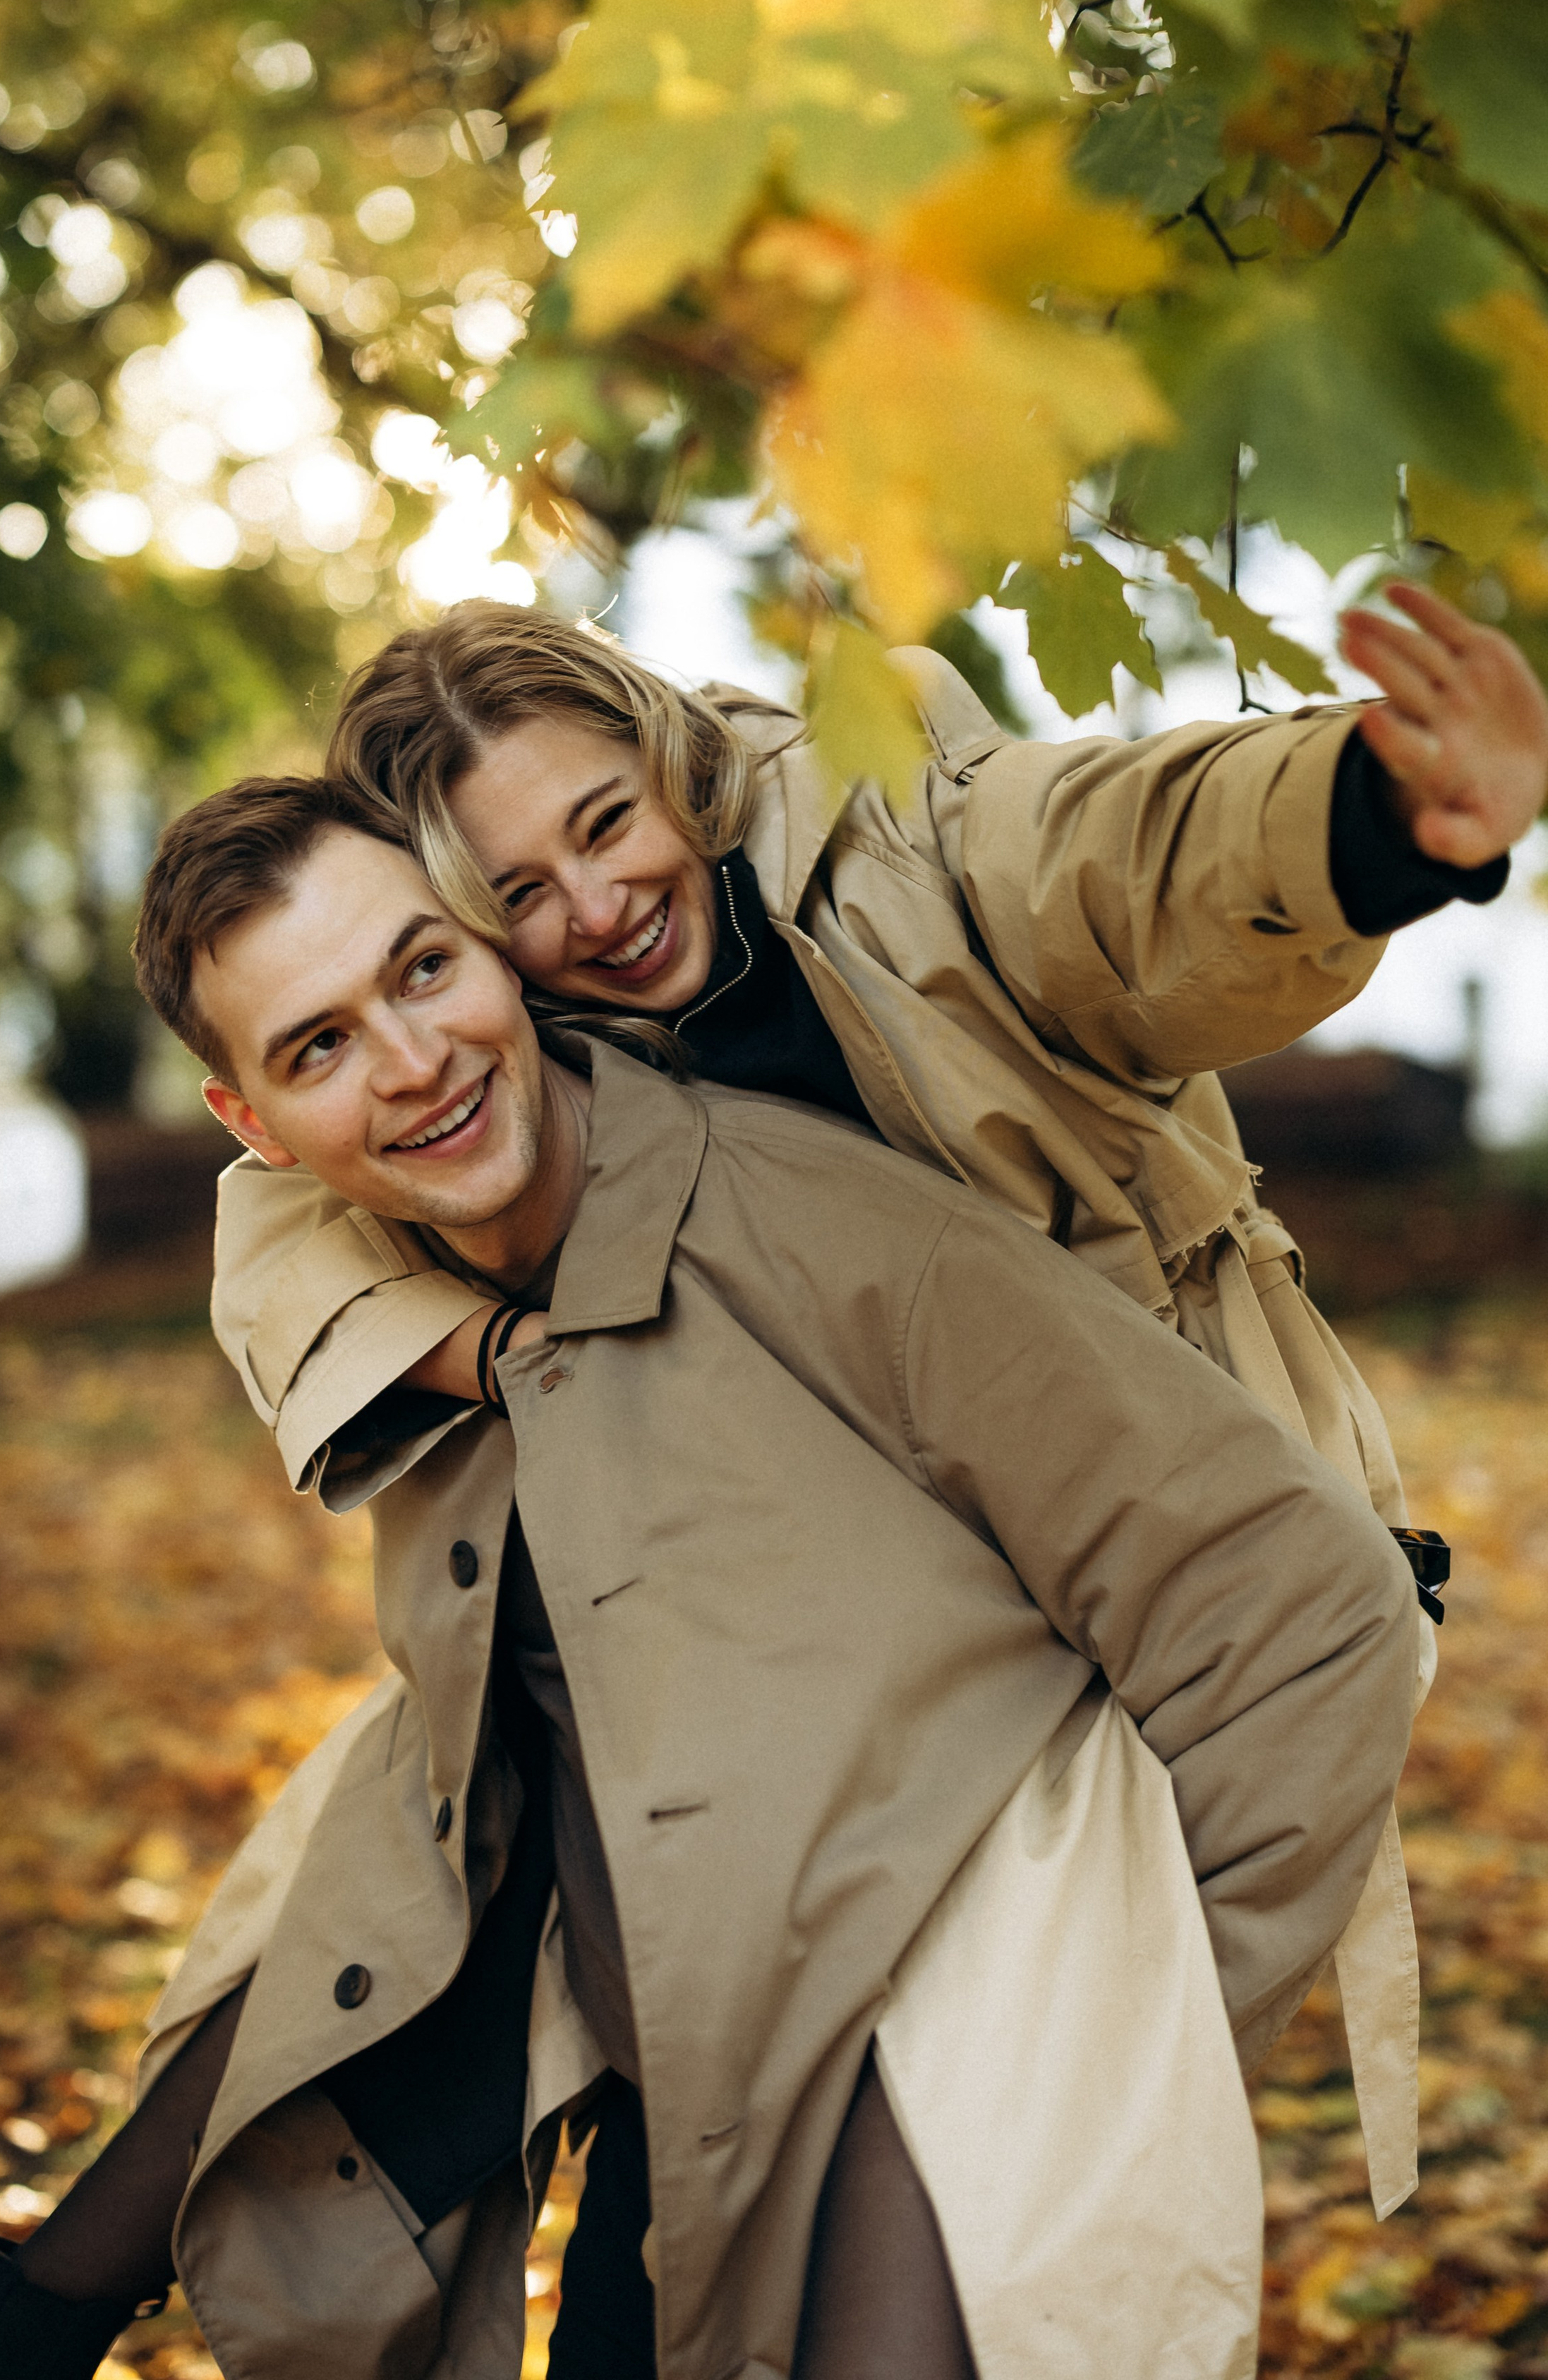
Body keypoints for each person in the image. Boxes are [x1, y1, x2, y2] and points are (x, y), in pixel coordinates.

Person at [0, 781, 1420, 2380]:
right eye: (319, 1046)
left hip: (922, 2057)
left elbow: (1312, 1614)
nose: (412, 1063)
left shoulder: (828, 1236)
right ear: (252, 1130)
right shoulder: (408, 1308)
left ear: (496, 952)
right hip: (656, 2053)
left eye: (422, 969)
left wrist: (1122, 2036)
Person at [207, 584, 1548, 2216]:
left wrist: (1372, 816)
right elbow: (278, 1215)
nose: (600, 906)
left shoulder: (894, 834)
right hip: (825, 1669)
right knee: (669, 2085)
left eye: (607, 822)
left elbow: (1117, 859)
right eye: (520, 895)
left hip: (1124, 1551)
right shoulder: (514, 1040)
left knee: (996, 2153)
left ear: (666, 755)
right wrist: (473, 1347)